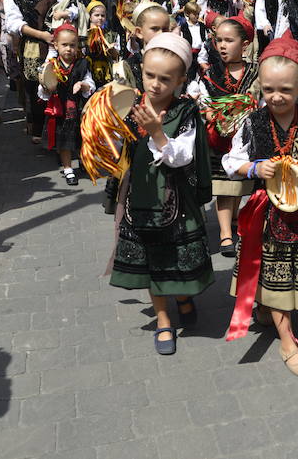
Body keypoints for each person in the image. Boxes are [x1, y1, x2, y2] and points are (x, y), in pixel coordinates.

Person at [223, 35, 298, 377]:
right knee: (275, 274)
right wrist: (255, 168)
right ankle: (288, 341)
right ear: (260, 84)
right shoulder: (252, 121)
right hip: (267, 213)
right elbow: (232, 160)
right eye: (269, 89)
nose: (276, 97)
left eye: (285, 90)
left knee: (291, 273)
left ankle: (270, 311)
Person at [109, 33, 214, 356]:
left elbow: (183, 155)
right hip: (139, 199)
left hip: (175, 199)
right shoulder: (129, 103)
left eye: (165, 79)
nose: (155, 84)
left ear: (181, 80)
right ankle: (164, 319)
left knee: (175, 260)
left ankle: (182, 295)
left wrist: (157, 132)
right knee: (153, 261)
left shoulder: (184, 113)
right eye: (150, 76)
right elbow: (115, 142)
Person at [194, 16, 258, 258]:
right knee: (223, 186)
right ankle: (225, 235)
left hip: (245, 140)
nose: (222, 45)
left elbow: (260, 101)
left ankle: (233, 220)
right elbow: (203, 100)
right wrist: (210, 113)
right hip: (219, 139)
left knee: (238, 186)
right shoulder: (211, 75)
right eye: (218, 40)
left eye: (229, 40)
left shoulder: (255, 73)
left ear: (244, 44)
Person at [4, 0, 59, 145]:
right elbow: (13, 23)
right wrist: (41, 34)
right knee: (34, 85)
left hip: (55, 45)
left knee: (56, 85)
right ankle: (36, 126)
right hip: (32, 46)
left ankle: (56, 129)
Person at [38, 24, 95, 186]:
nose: (68, 49)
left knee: (83, 137)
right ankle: (68, 168)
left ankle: (84, 162)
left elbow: (90, 84)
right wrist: (47, 88)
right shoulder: (51, 65)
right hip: (61, 110)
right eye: (64, 45)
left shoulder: (82, 64)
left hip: (78, 108)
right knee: (64, 140)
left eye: (72, 45)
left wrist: (83, 85)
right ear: (56, 45)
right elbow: (42, 92)